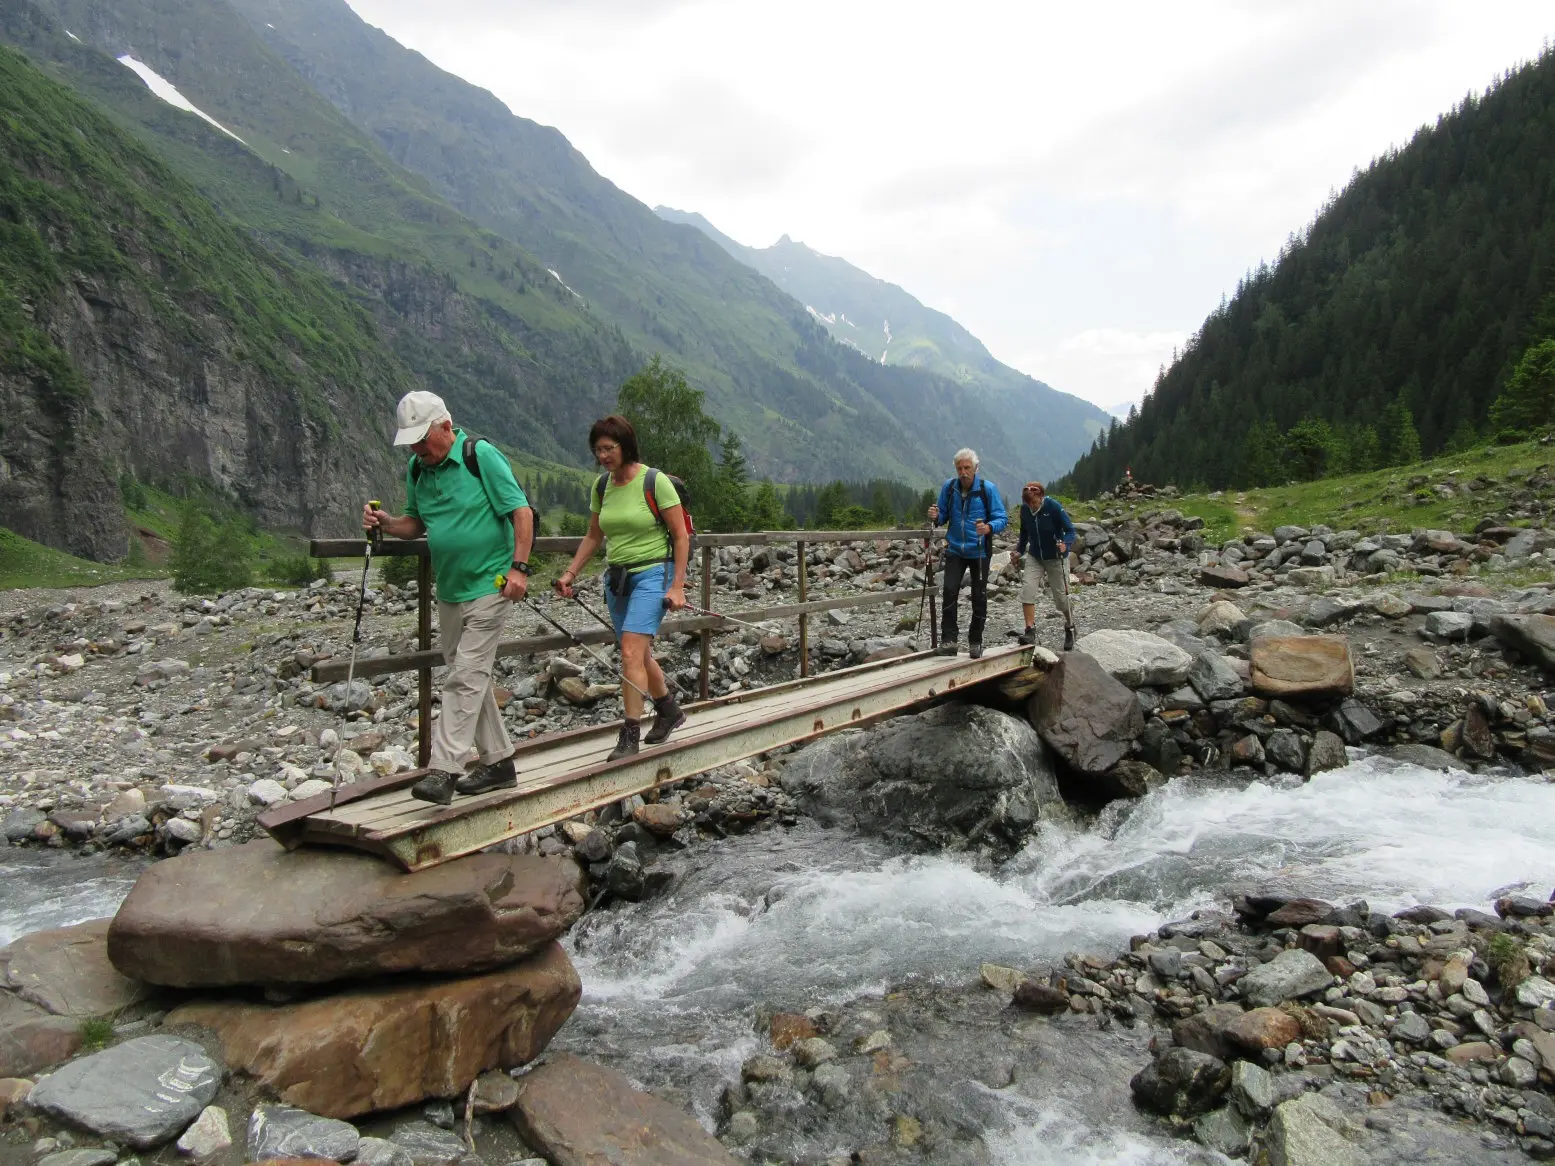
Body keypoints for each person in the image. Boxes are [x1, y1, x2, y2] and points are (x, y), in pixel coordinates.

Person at [363, 391, 535, 805]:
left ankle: (443, 769)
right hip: (451, 588)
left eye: (422, 440)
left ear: (445, 426)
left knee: (465, 675)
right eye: (411, 443)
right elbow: (415, 525)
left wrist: (519, 568)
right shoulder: (417, 469)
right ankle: (499, 762)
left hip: (491, 584)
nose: (417, 450)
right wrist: (386, 522)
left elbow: (521, 511)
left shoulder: (480, 455)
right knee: (469, 675)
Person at [553, 415, 690, 761]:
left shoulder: (655, 481)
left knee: (629, 652)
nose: (602, 456)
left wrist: (677, 586)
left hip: (653, 574)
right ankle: (668, 710)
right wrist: (570, 573)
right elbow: (594, 534)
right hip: (617, 579)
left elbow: (680, 535)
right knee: (638, 654)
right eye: (597, 450)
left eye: (608, 448)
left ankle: (629, 735)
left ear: (625, 446)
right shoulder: (602, 486)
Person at [926, 448, 1007, 659]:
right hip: (955, 549)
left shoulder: (987, 489)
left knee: (979, 596)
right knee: (949, 591)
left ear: (976, 468)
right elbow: (942, 516)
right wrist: (935, 516)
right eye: (959, 468)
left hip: (979, 551)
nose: (963, 472)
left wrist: (988, 527)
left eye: (967, 468)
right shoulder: (949, 487)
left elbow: (1002, 518)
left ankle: (975, 641)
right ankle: (949, 641)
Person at [1014, 481, 1078, 651]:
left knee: (1062, 600)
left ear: (1041, 495)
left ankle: (1070, 626)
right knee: (1027, 590)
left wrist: (1066, 544)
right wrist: (1019, 551)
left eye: (1034, 501)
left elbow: (1070, 530)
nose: (1032, 505)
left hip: (1056, 557)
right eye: (1028, 502)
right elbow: (1024, 533)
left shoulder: (1053, 507)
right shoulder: (1025, 510)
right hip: (1035, 556)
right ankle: (1029, 630)